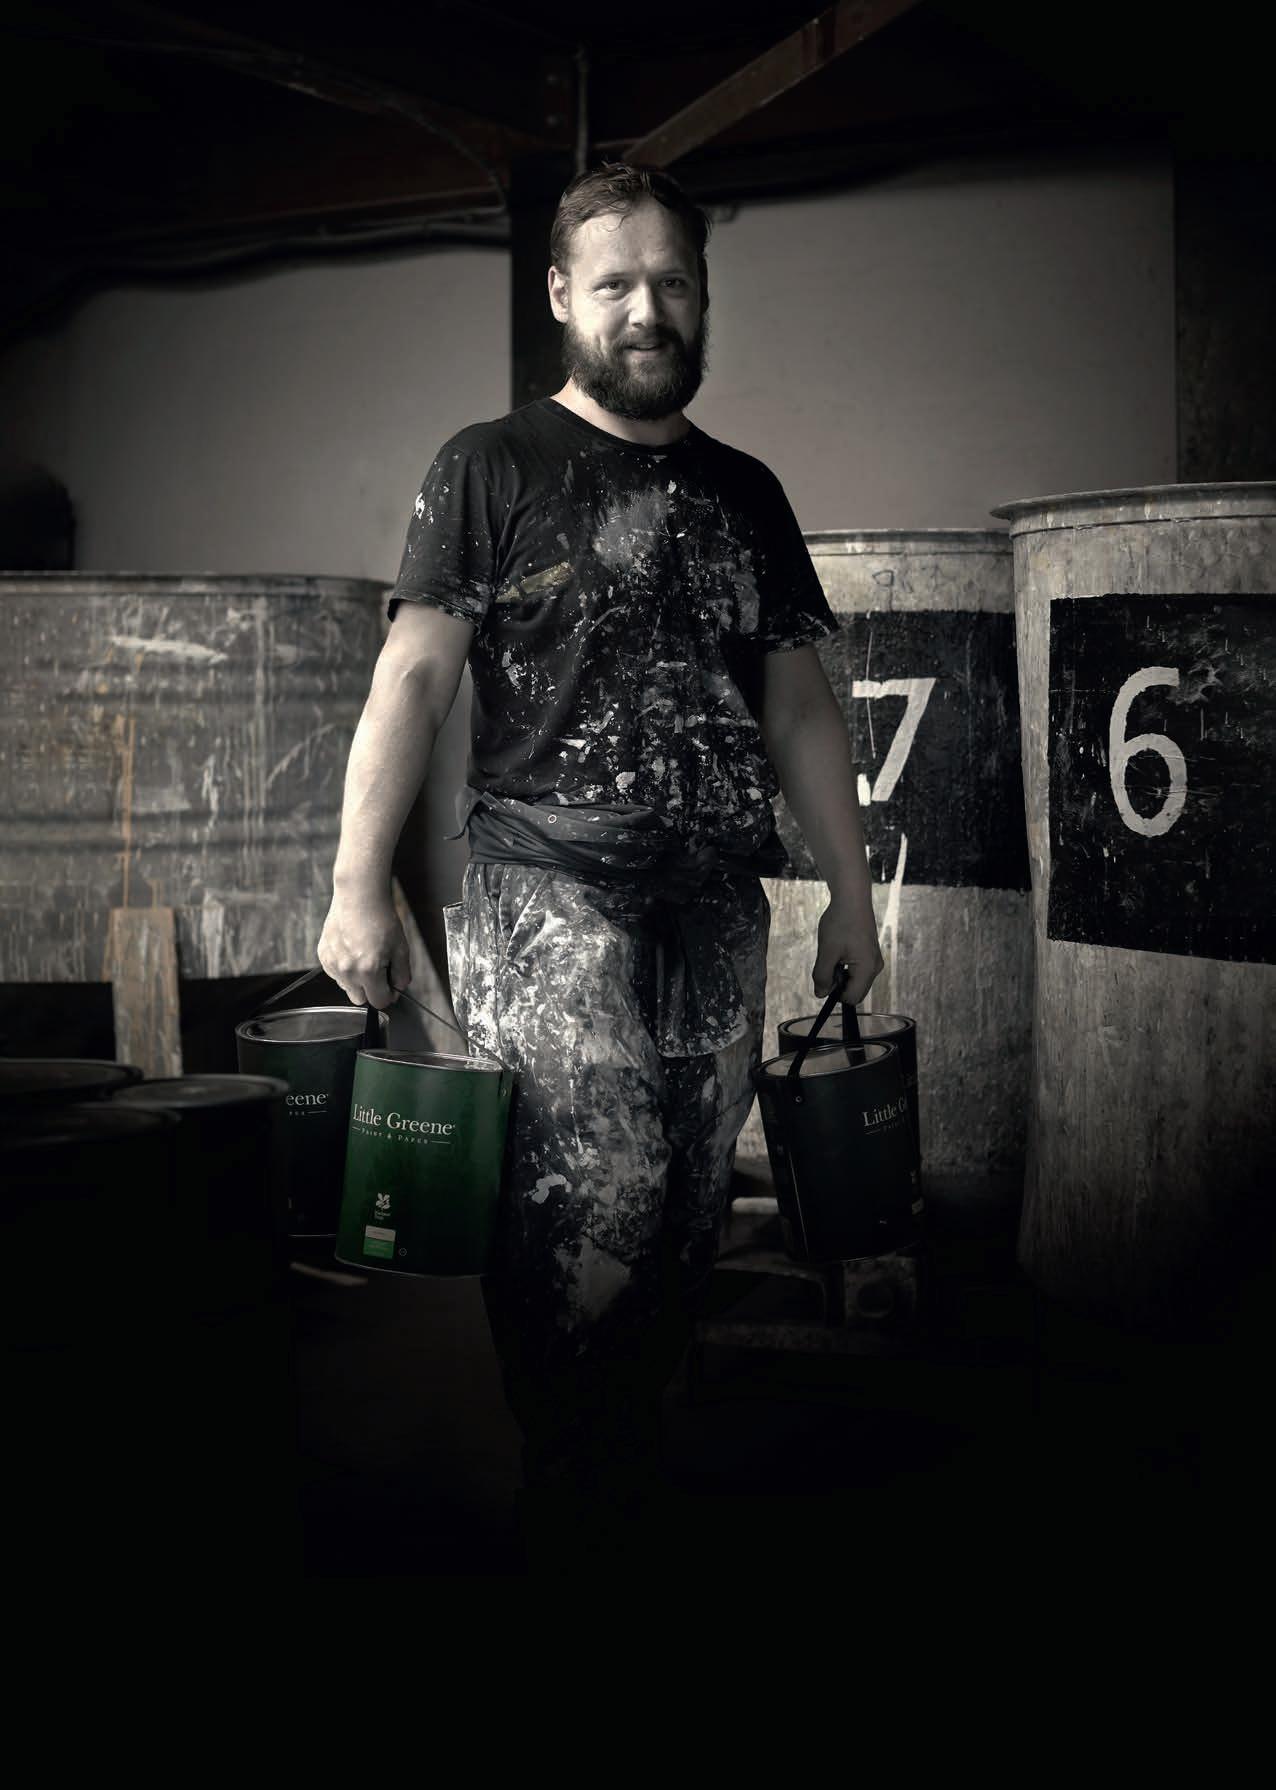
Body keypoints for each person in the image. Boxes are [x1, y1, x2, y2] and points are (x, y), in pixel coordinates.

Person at [318, 161, 882, 1562]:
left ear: (702, 297)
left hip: (715, 907)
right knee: (587, 1224)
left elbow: (801, 708)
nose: (648, 309)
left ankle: (616, 1502)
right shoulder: (490, 464)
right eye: (617, 282)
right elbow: (412, 680)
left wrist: (852, 896)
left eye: (672, 282)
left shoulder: (748, 493)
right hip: (550, 901)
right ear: (563, 296)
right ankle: (568, 1513)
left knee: (684, 1221)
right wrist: (354, 886)